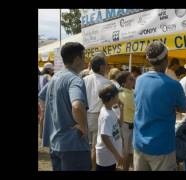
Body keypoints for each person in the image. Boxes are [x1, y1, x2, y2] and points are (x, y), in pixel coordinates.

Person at [133, 41, 186, 171]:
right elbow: (185, 108)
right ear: (166, 60)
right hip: (162, 147)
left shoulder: (139, 80)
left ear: (149, 60)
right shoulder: (173, 85)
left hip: (139, 144)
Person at [38, 42, 91, 171]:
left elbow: (41, 96)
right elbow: (77, 106)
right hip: (73, 146)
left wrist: (47, 113)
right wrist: (83, 127)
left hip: (56, 143)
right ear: (77, 59)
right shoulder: (75, 79)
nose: (85, 61)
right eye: (84, 57)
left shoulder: (56, 77)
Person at [83, 52, 112, 170]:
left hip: (84, 115)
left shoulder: (84, 79)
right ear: (101, 67)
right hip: (97, 116)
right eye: (106, 65)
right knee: (95, 147)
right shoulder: (107, 82)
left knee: (86, 146)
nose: (107, 67)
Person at [96, 84, 125, 171]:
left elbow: (119, 124)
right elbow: (104, 137)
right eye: (117, 95)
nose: (118, 97)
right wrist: (117, 155)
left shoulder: (110, 110)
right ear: (112, 98)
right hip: (106, 156)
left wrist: (122, 109)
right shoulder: (106, 116)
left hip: (110, 155)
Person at [115, 71, 135, 171]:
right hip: (125, 126)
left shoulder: (131, 92)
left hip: (131, 125)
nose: (134, 80)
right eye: (131, 79)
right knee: (126, 152)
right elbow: (136, 107)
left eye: (133, 78)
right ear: (123, 82)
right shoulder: (123, 93)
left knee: (130, 152)